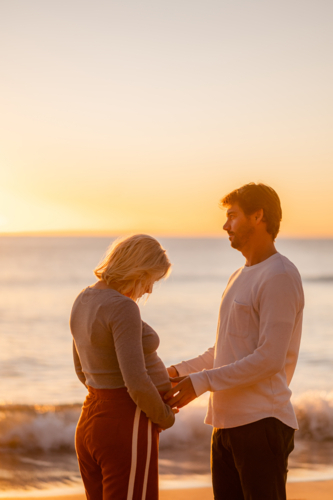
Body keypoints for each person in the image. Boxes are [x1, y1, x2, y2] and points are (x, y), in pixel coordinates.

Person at [165, 183, 304, 500]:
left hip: (262, 424)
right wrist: (175, 373)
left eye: (232, 216)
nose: (225, 225)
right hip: (226, 426)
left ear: (258, 216)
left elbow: (269, 359)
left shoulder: (280, 275)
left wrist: (201, 382)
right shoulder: (238, 276)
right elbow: (224, 350)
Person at [70, 234, 176, 500]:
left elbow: (81, 370)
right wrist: (164, 416)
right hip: (125, 423)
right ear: (138, 270)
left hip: (89, 421)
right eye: (151, 279)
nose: (149, 290)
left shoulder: (83, 299)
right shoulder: (123, 307)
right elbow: (136, 381)